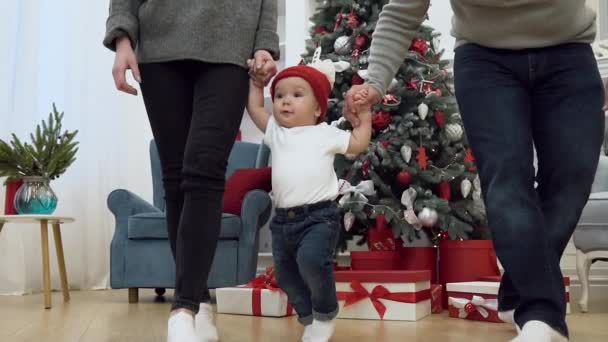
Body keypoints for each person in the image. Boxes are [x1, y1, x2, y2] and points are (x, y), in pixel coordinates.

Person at [344, 1, 606, 341]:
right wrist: (376, 82)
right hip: (486, 62)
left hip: (569, 53)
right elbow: (403, 9)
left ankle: (518, 293)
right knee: (507, 179)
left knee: (572, 178)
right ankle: (542, 315)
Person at [103, 1, 279, 341]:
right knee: (177, 178)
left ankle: (182, 310)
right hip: (159, 45)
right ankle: (197, 303)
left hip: (231, 46)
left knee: (205, 170)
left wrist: (264, 43)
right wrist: (122, 37)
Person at [246, 58, 372, 342]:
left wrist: (364, 119)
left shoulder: (325, 133)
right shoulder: (276, 133)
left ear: (317, 108)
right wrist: (256, 84)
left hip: (319, 217)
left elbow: (357, 144)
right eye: (279, 96)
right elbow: (254, 108)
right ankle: (308, 317)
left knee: (312, 261)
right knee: (287, 276)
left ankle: (326, 313)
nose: (285, 102)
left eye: (296, 95)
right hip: (282, 223)